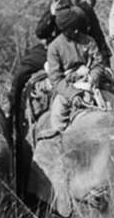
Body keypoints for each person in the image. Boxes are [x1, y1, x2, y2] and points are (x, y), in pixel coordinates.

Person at [45, 7, 108, 138]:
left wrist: (93, 77)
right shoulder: (54, 48)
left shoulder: (89, 41)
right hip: (69, 87)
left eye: (77, 27)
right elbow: (56, 79)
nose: (76, 31)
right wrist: (73, 95)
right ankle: (58, 145)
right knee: (57, 120)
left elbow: (98, 63)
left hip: (91, 84)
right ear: (63, 29)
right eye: (71, 29)